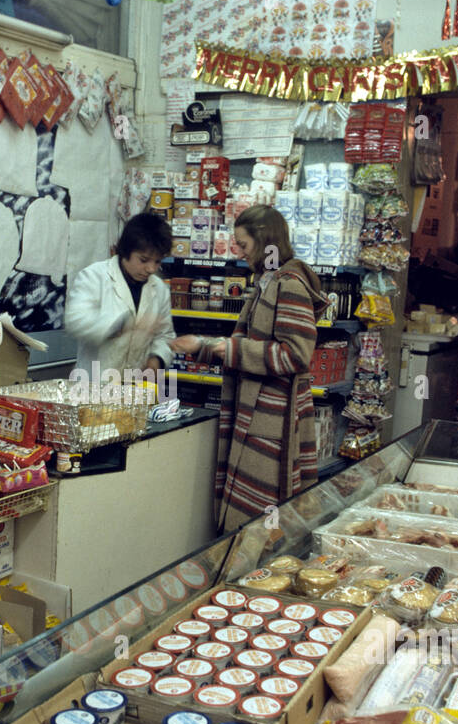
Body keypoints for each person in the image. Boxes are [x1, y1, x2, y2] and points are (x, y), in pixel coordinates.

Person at [171, 205, 326, 533]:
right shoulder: (267, 280)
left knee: (263, 523)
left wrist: (229, 348)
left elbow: (296, 355)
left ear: (266, 240)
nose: (238, 252)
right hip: (256, 414)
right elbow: (249, 348)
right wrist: (202, 347)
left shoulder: (290, 283)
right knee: (251, 518)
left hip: (272, 420)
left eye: (243, 244)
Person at [64, 213, 176, 386]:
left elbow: (165, 335)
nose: (151, 269)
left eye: (157, 261)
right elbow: (76, 321)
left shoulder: (159, 289)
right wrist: (122, 325)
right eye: (144, 260)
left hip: (134, 389)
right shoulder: (94, 277)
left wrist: (156, 360)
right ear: (126, 251)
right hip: (92, 384)